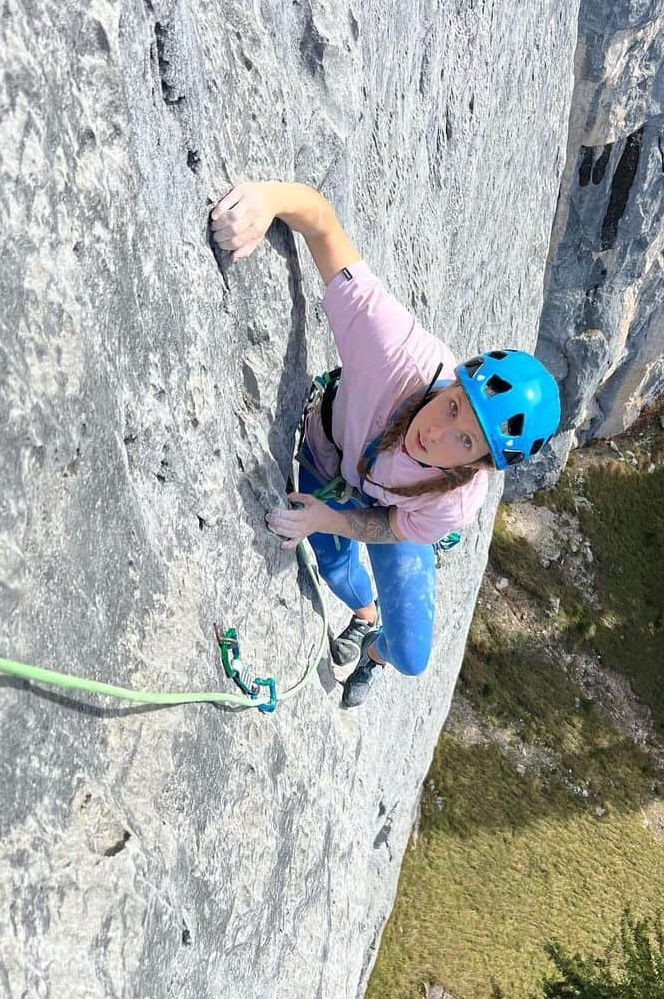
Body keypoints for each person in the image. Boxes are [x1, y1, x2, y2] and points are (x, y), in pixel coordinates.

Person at [209, 180, 561, 708]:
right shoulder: (395, 353)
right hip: (329, 456)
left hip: (397, 510)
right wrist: (267, 200)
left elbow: (392, 526)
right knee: (334, 568)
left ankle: (374, 653)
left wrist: (327, 519)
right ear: (456, 380)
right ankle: (365, 615)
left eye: (464, 439)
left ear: (480, 464)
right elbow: (323, 224)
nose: (437, 430)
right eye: (453, 403)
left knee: (413, 656)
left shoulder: (456, 500)